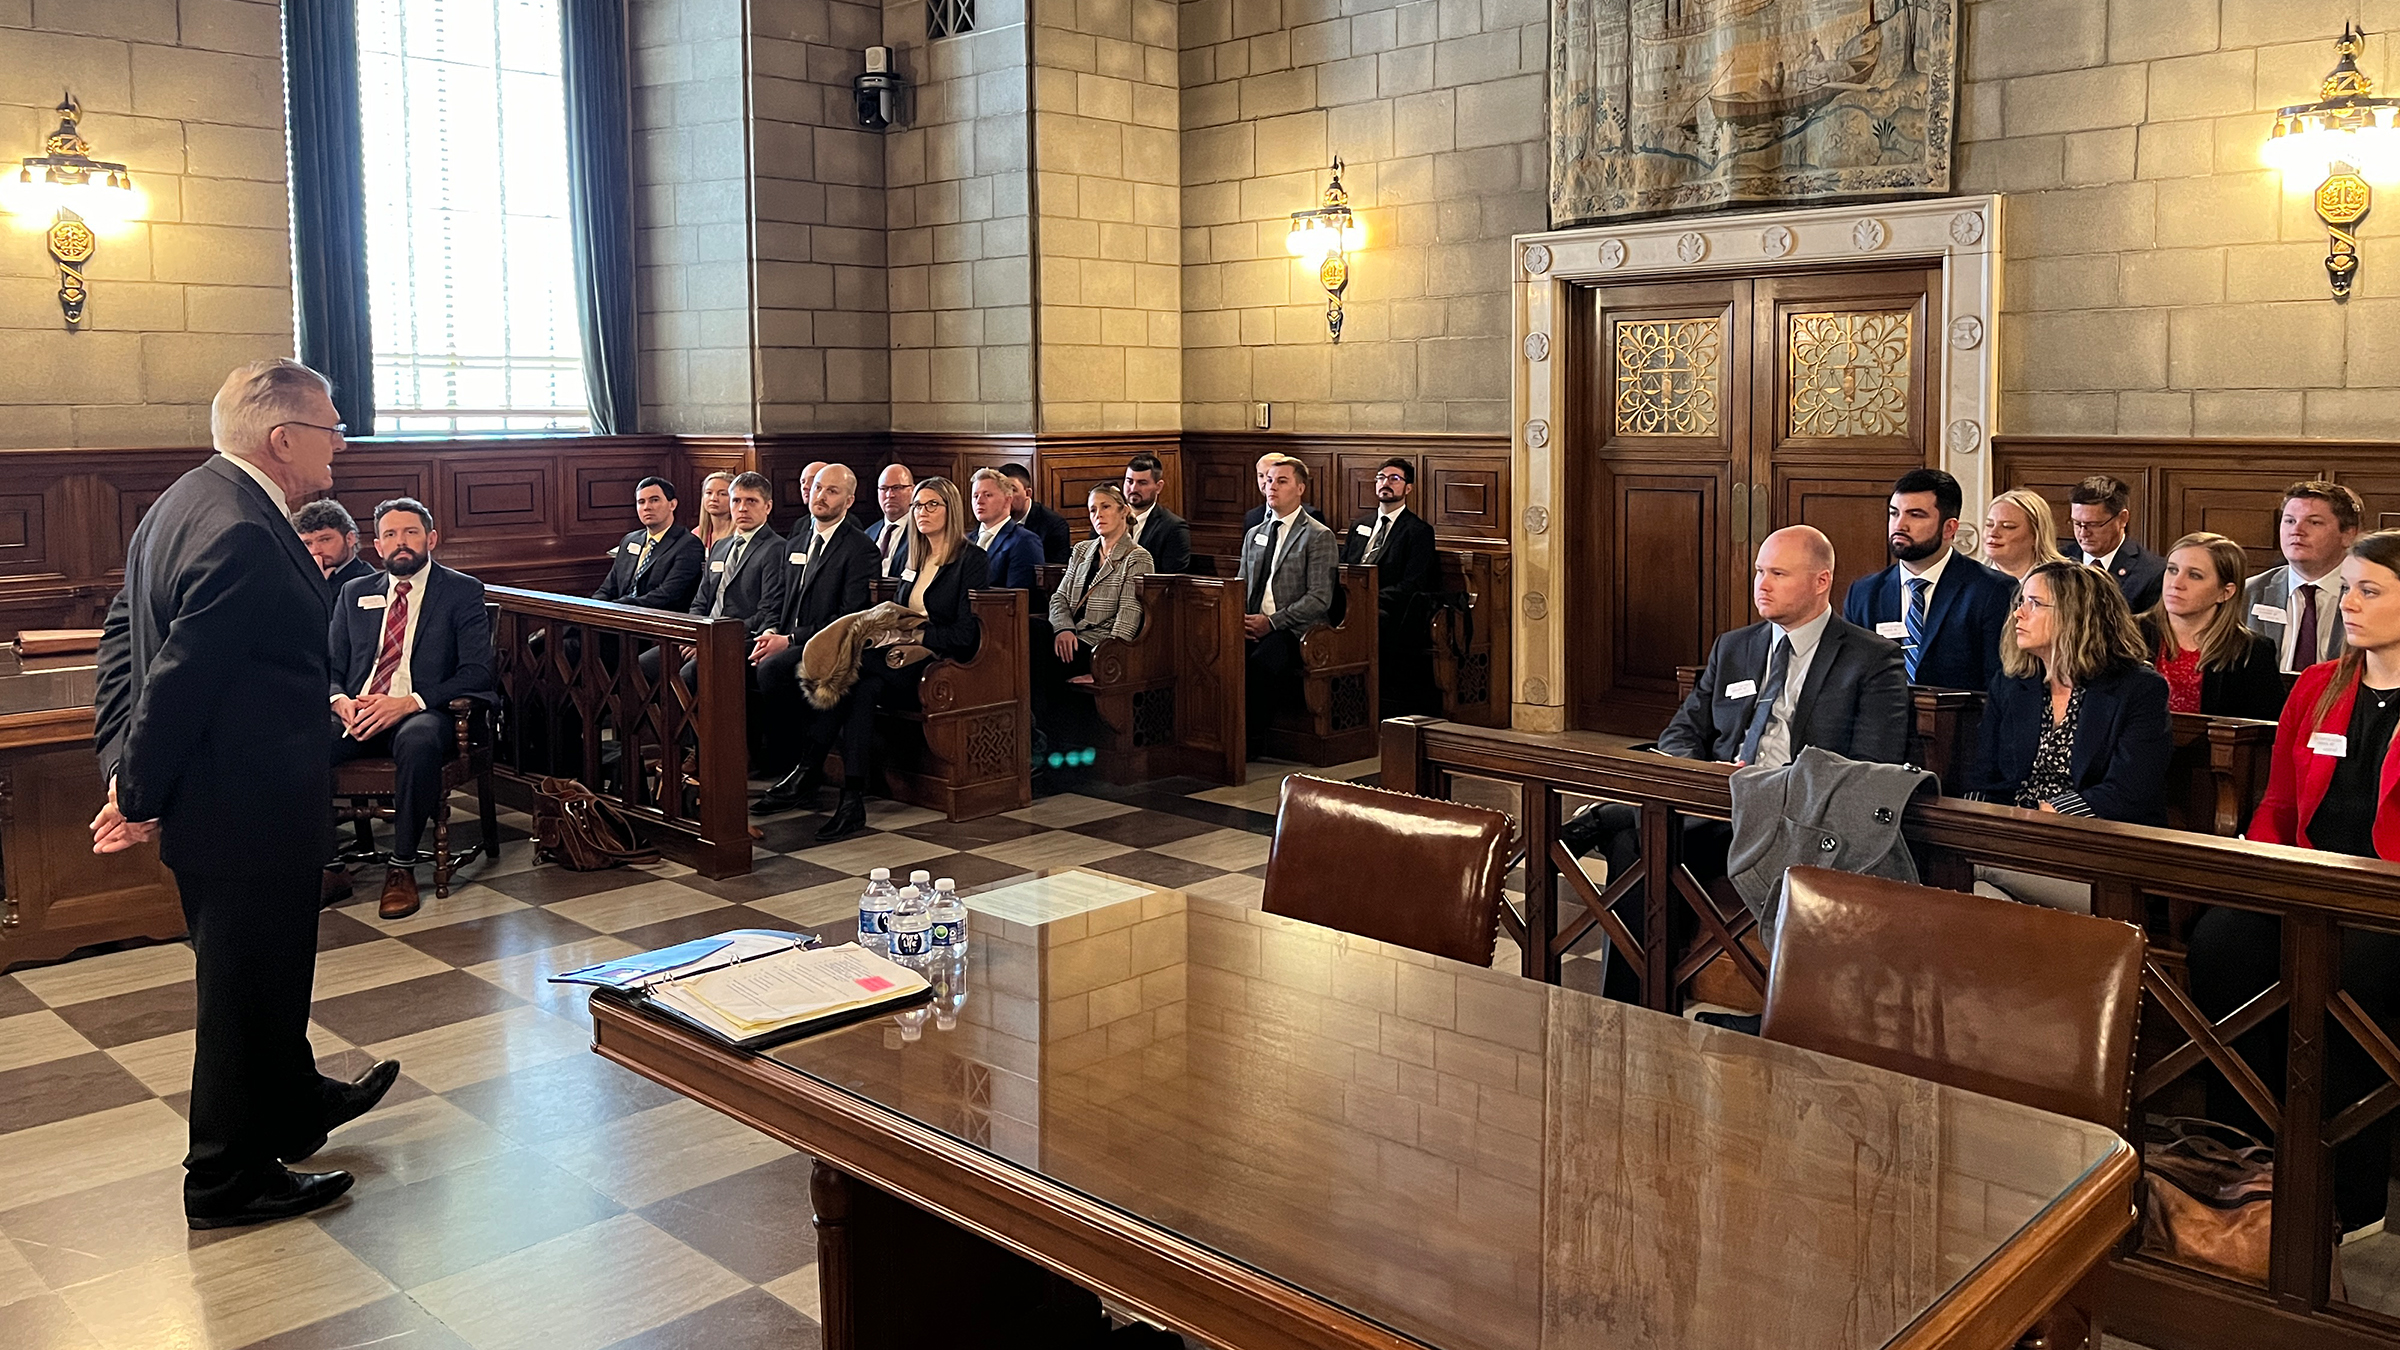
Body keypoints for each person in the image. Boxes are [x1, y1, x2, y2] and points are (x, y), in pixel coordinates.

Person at [92, 358, 398, 1230]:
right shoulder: (240, 530)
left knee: (266, 978)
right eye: (332, 425)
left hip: (233, 800)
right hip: (245, 808)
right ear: (284, 437)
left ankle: (293, 1105)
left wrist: (121, 767)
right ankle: (226, 1179)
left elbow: (123, 640)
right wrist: (136, 788)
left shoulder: (184, 501)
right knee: (239, 993)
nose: (341, 441)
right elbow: (180, 677)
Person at [1561, 526, 1908, 1000]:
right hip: (1717, 805)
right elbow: (1682, 732)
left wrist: (1769, 784)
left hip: (1794, 819)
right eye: (1759, 572)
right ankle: (1638, 1003)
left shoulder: (1871, 659)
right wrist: (1702, 776)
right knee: (1641, 837)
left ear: (1821, 581)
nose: (1761, 584)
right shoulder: (1735, 646)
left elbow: (1871, 766)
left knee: (1636, 828)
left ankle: (1599, 823)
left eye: (1778, 574)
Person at [2189, 529, 2400, 1243]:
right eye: (2351, 590)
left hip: (2386, 900)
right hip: (2307, 880)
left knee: (2352, 980)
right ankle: (2241, 1155)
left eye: (2370, 591)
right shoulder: (2316, 686)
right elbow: (2278, 806)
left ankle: (2353, 1188)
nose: (2351, 605)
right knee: (2220, 945)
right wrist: (2260, 868)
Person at [328, 497, 497, 920]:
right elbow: (329, 665)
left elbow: (477, 672)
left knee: (418, 741)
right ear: (377, 546)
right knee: (303, 741)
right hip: (360, 709)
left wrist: (409, 702)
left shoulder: (461, 590)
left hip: (427, 710)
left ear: (431, 539)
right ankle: (328, 865)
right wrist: (339, 700)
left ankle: (401, 868)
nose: (400, 542)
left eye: (410, 533)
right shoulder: (355, 592)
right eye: (390, 535)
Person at [800, 477, 988, 841]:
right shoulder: (910, 554)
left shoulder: (971, 559)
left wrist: (918, 634)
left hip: (938, 662)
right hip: (894, 660)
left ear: (951, 509)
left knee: (851, 671)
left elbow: (967, 635)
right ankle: (852, 800)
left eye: (932, 505)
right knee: (863, 689)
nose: (923, 512)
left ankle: (808, 766)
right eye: (918, 505)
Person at [1964, 560, 2172, 824]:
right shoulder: (2011, 682)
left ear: (2077, 615)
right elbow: (1985, 776)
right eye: (2021, 602)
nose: (2019, 614)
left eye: (2035, 604)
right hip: (2015, 826)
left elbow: (2128, 791)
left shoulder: (2139, 689)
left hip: (2096, 833)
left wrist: (2042, 818)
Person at [752, 464, 879, 813]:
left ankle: (799, 767)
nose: (820, 496)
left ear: (849, 500)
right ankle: (763, 766)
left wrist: (790, 639)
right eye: (817, 488)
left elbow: (848, 616)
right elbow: (780, 599)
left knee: (773, 670)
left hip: (829, 646)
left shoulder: (860, 549)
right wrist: (771, 632)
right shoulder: (796, 542)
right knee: (735, 662)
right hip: (786, 638)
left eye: (832, 491)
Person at [1842, 468, 2014, 691]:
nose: (1899, 525)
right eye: (1894, 513)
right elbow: (1849, 679)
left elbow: (1999, 687)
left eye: (1915, 515)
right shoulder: (1864, 593)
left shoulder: (1992, 591)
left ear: (1949, 528)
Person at [1039, 484, 1156, 746]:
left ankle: (1046, 743)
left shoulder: (1137, 557)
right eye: (1093, 509)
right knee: (1032, 635)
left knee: (1040, 663)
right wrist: (1063, 628)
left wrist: (1105, 664)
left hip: (1098, 647)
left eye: (1105, 507)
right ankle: (1040, 739)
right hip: (1069, 638)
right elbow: (1059, 598)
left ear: (1123, 511)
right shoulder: (1082, 550)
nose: (1098, 515)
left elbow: (1129, 615)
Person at [1239, 456, 1339, 759]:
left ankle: (1250, 741)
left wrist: (1271, 622)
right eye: (1269, 480)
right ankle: (1219, 735)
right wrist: (1239, 619)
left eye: (1281, 481)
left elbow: (1319, 598)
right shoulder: (1255, 532)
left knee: (1259, 663)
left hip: (1295, 630)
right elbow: (1242, 584)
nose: (1272, 487)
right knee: (1216, 656)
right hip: (1252, 623)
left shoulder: (1317, 535)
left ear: (1300, 488)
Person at [2140, 532, 2285, 721]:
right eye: (2172, 570)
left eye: (2194, 575)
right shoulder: (2127, 634)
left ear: (2225, 592)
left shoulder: (2251, 652)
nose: (2176, 583)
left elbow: (2265, 731)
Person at [1341, 457, 1438, 717]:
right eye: (1381, 477)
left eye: (1394, 479)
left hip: (1389, 610)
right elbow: (1343, 567)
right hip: (1348, 601)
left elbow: (1413, 584)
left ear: (1408, 488)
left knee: (1371, 624)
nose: (1386, 483)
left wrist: (1369, 599)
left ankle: (1366, 703)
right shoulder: (1359, 525)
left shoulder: (1418, 531)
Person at [2246, 479, 2365, 674]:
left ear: (2348, 535)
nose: (2297, 531)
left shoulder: (2368, 595)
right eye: (2290, 521)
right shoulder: (2250, 592)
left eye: (2314, 522)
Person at [594, 476, 704, 610]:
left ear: (672, 504)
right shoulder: (630, 540)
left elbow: (667, 595)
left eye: (654, 500)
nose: (647, 507)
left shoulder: (688, 544)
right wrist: (591, 608)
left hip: (657, 620)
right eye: (641, 502)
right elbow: (608, 588)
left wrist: (617, 607)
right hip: (620, 615)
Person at [2066, 474, 2168, 612]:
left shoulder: (2152, 572)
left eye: (2094, 524)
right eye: (2077, 523)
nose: (2083, 533)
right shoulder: (2060, 560)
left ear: (2122, 519)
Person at [968, 467, 1045, 589]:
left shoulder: (1025, 541)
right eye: (975, 496)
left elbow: (1020, 597)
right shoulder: (966, 541)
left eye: (987, 495)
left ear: (1007, 500)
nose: (979, 501)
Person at [1980, 487, 2070, 581]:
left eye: (2008, 526)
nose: (1993, 533)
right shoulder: (1970, 579)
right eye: (1989, 524)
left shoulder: (2063, 581)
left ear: (2036, 535)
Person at [1122, 453, 1190, 574]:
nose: (1133, 489)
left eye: (1142, 483)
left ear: (1158, 487)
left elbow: (1171, 580)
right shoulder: (1107, 518)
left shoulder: (1173, 528)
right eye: (1129, 481)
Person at [295, 498, 375, 592]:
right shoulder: (298, 578)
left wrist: (318, 587)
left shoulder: (367, 582)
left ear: (350, 538)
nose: (315, 551)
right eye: (308, 544)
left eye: (324, 540)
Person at [997, 462, 1072, 562]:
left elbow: (1054, 571)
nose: (1006, 496)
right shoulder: (991, 518)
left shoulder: (1054, 525)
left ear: (1028, 493)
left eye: (1012, 490)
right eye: (1001, 491)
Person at [1243, 451, 1327, 531]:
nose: (1266, 483)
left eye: (1281, 481)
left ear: (1300, 488)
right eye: (1261, 476)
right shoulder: (1252, 517)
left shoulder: (1312, 517)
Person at [869, 461, 916, 578]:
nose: (890, 495)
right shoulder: (868, 534)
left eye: (897, 488)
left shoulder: (921, 532)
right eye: (884, 489)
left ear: (913, 490)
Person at [694, 471, 736, 551]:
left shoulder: (740, 534)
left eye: (722, 494)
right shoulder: (696, 534)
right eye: (709, 493)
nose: (713, 498)